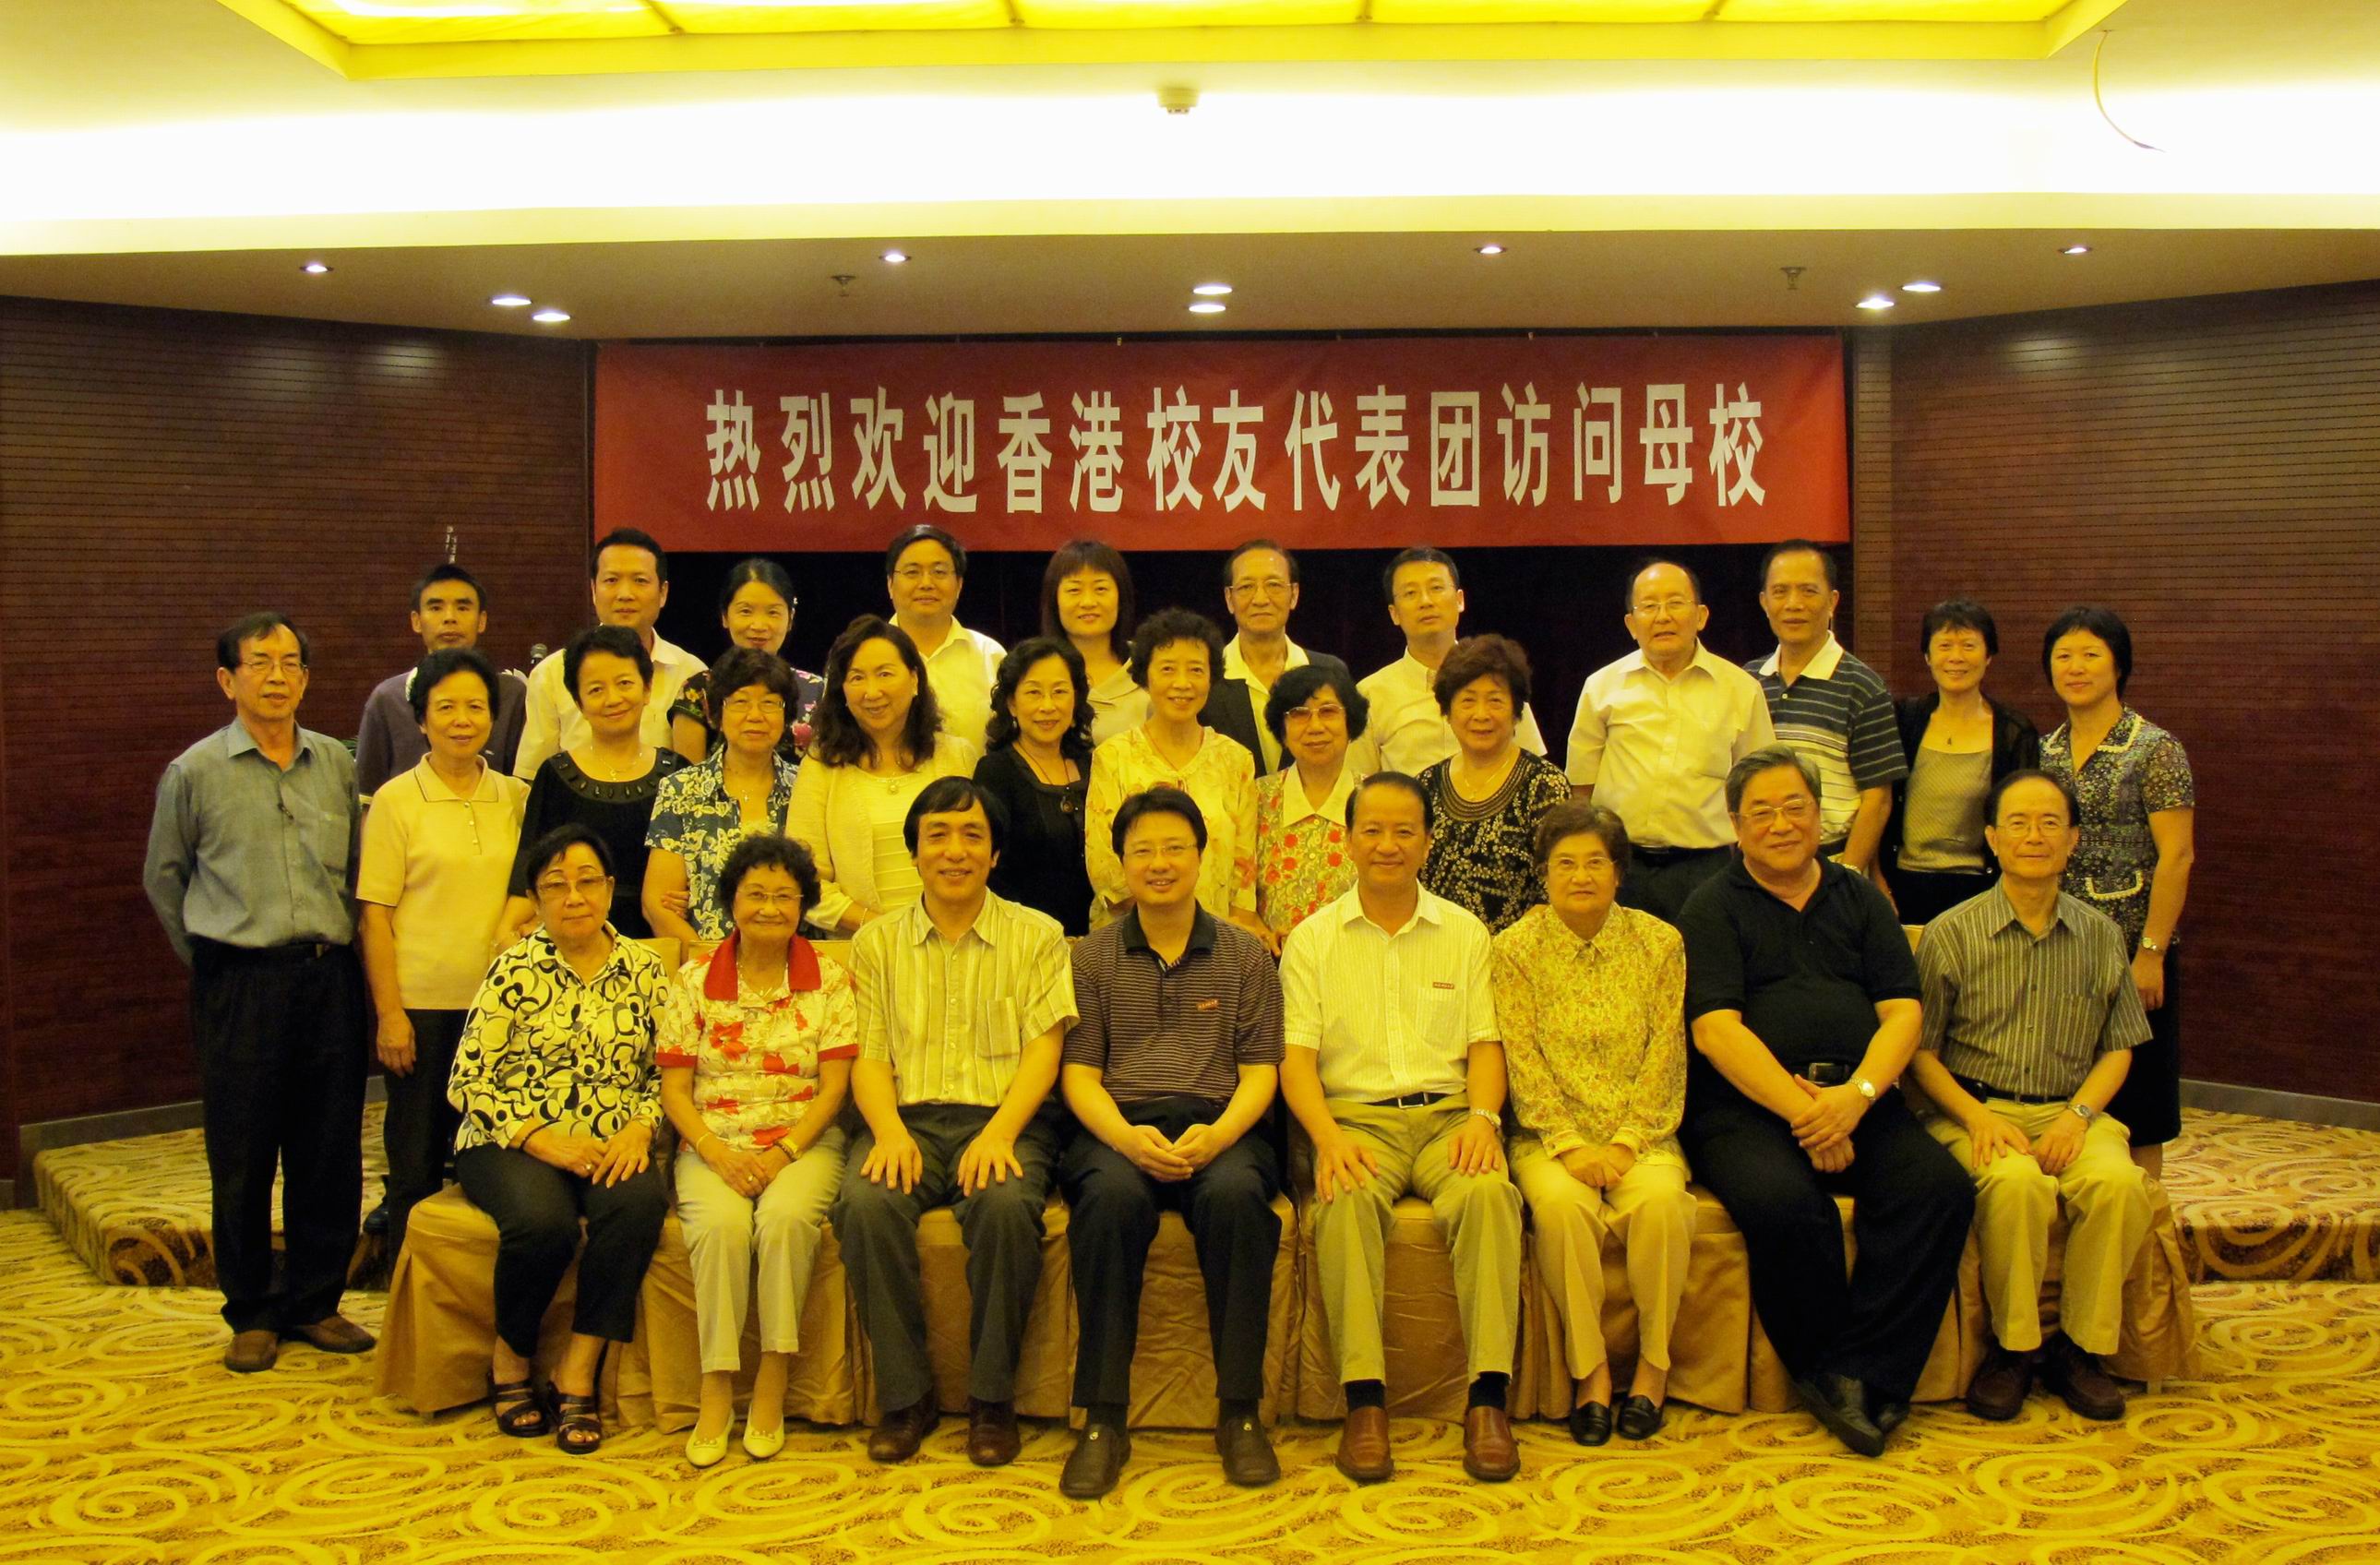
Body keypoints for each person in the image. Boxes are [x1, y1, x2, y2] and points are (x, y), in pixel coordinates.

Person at [1677, 747, 1973, 1458]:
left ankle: (1865, 1370)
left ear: (1819, 815)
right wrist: (1807, 1113)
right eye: (1761, 813)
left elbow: (1902, 1013)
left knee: (1937, 1190)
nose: (1780, 824)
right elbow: (1716, 1031)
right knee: (1784, 1204)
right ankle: (1828, 1369)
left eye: (1795, 808)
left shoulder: (1859, 898)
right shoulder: (1710, 906)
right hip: (1745, 1109)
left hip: (1858, 1097)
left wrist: (1855, 1099)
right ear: (1735, 825)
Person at [142, 613, 374, 1373]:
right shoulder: (194, 772)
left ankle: (316, 1301)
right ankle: (250, 1310)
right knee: (242, 1153)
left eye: (291, 662)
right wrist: (215, 962)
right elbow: (165, 880)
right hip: (239, 983)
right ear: (227, 679)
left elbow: (357, 868)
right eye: (260, 662)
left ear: (306, 677)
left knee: (328, 1147)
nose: (278, 675)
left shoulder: (336, 762)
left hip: (328, 978)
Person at [1279, 773, 1523, 1487]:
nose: (1387, 845)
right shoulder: (1313, 940)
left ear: (1427, 842)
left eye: (1403, 831)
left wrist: (1483, 1120)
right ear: (1349, 842)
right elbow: (1295, 1061)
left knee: (1489, 1196)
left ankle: (1487, 1400)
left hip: (1450, 1116)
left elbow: (1485, 1044)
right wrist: (1326, 1139)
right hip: (1355, 1120)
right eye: (1373, 831)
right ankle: (1364, 1403)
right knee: (1345, 1201)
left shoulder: (1464, 932)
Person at [831, 777, 1076, 1467]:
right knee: (865, 1203)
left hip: (1004, 1119)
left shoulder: (1038, 935)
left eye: (973, 835)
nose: (954, 850)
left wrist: (1000, 1132)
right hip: (903, 1118)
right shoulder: (876, 943)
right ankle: (904, 1399)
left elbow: (1045, 1051)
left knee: (1005, 1206)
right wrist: (887, 1133)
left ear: (995, 853)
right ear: (914, 851)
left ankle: (992, 1400)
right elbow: (868, 1055)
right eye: (936, 835)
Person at [1057, 787, 1286, 1499]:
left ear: (1201, 856)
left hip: (1219, 1122)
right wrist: (1126, 1140)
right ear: (1121, 864)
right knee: (1107, 1203)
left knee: (1239, 1197)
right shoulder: (1091, 957)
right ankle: (1103, 1418)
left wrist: (1219, 1137)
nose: (1159, 863)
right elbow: (1078, 1074)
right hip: (1118, 1125)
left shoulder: (1244, 954)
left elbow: (1261, 1071)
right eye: (1143, 851)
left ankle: (1239, 1413)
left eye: (1173, 848)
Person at [1908, 770, 2155, 1424]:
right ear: (1992, 839)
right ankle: (2013, 1350)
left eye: (2050, 823)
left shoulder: (2101, 933)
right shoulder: (1951, 932)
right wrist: (1976, 1117)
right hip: (1974, 1109)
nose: (2034, 836)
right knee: (2015, 1184)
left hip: (2071, 1109)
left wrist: (2078, 1117)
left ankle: (2080, 1350)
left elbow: (2119, 1046)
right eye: (2017, 823)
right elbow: (1921, 1053)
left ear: (2073, 839)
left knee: (2119, 1185)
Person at [448, 825, 676, 1455]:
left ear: (610, 888)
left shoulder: (645, 970)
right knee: (541, 1223)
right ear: (536, 899)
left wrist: (640, 1126)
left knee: (637, 1207)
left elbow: (669, 1071)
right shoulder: (513, 969)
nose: (574, 897)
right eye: (556, 885)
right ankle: (511, 1358)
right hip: (509, 1138)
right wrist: (540, 1138)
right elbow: (468, 1080)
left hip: (612, 1138)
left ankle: (578, 1370)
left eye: (587, 882)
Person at [1493, 800, 1695, 1446]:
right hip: (1549, 1138)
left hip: (1644, 1134)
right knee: (1561, 1211)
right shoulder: (1514, 949)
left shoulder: (1660, 944)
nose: (1580, 876)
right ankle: (1592, 1374)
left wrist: (1629, 1141)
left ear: (1618, 872)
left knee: (1662, 1204)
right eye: (1564, 864)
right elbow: (1520, 1058)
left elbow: (1666, 1053)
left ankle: (1654, 1368)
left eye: (1594, 863)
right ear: (1544, 875)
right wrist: (1569, 1145)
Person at [656, 833, 856, 1466]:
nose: (769, 908)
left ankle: (773, 1375)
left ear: (802, 906)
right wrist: (715, 1152)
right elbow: (674, 1090)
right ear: (731, 901)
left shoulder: (829, 979)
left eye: (784, 896)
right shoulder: (693, 980)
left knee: (785, 1221)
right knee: (718, 1227)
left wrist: (782, 1153)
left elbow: (835, 1090)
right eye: (755, 894)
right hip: (711, 1143)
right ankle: (716, 1384)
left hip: (804, 1142)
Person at [356, 647, 530, 1261]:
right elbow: (375, 917)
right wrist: (390, 1014)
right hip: (422, 1010)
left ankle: (475, 1294)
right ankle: (411, 1296)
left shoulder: (516, 797)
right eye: (446, 707)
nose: (462, 719)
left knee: (492, 1164)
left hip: (502, 1011)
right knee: (416, 1165)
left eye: (476, 707)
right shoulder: (395, 801)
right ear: (421, 719)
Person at [2039, 605, 2195, 1178]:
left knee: (2142, 1104)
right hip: (2056, 945)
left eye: (2090, 655)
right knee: (2064, 1090)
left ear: (2119, 666)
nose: (2075, 667)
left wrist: (2151, 953)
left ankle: (2145, 1222)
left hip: (2132, 948)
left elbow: (2178, 855)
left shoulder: (2155, 748)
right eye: (2063, 656)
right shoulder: (2043, 751)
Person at [1565, 559, 1775, 925]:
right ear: (1631, 624)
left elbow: (1761, 788)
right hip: (1620, 865)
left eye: (1676, 603)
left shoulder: (1741, 690)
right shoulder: (1601, 687)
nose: (1663, 616)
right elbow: (1581, 788)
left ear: (1701, 615)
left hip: (1705, 867)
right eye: (1649, 606)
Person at [1084, 609, 1268, 948]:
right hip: (1130, 942)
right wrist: (1169, 929)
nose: (1182, 683)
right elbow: (1104, 867)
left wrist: (1229, 936)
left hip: (1215, 944)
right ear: (1145, 676)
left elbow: (1244, 874)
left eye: (1196, 670)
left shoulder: (1236, 760)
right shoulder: (1113, 757)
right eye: (1168, 669)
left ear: (1211, 677)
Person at [786, 615, 977, 934]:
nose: (871, 691)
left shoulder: (956, 756)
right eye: (857, 678)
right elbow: (803, 880)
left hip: (956, 939)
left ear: (914, 679)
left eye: (885, 674)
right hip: (861, 947)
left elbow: (982, 857)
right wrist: (884, 930)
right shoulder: (822, 766)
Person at [500, 627, 688, 945]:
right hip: (575, 940)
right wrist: (506, 930)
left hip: (659, 944)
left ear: (647, 689)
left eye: (624, 683)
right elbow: (529, 870)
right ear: (579, 702)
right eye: (596, 689)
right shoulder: (556, 775)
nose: (613, 699)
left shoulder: (678, 774)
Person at [1745, 540, 1906, 874]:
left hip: (1832, 862)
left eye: (1808, 591)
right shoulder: (1747, 682)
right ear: (1764, 602)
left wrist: (1847, 876)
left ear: (1832, 601)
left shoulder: (1863, 687)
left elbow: (1877, 799)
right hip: (1758, 865)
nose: (1793, 604)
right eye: (1780, 592)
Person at [1884, 599, 2042, 926]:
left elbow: (2020, 815)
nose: (1956, 657)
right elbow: (1880, 800)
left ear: (1988, 656)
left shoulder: (2013, 732)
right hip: (1904, 885)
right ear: (1927, 656)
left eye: (1968, 646)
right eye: (1944, 646)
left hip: (1983, 888)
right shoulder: (1904, 720)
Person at [643, 647, 802, 957]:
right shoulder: (681, 789)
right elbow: (657, 903)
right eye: (740, 702)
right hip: (705, 967)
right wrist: (714, 965)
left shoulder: (806, 788)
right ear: (716, 712)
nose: (755, 715)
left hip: (793, 965)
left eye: (769, 703)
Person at [513, 528, 704, 779]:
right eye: (612, 580)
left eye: (640, 581)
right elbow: (532, 777)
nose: (625, 594)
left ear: (663, 593)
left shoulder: (691, 674)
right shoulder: (551, 673)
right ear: (594, 590)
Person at [1417, 635, 1573, 934]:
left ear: (1516, 712)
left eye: (1495, 700)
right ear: (1447, 711)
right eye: (1468, 700)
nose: (1481, 714)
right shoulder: (1424, 786)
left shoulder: (1544, 786)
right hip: (1433, 950)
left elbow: (1556, 890)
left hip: (1516, 953)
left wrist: (1496, 951)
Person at [1357, 547, 1547, 777]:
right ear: (1394, 613)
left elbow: (1533, 767)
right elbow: (1359, 781)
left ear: (1459, 600)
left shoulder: (1499, 675)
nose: (1426, 601)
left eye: (1436, 588)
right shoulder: (1370, 694)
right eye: (1410, 593)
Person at [355, 562, 528, 799]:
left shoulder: (512, 694)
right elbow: (368, 797)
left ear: (482, 620)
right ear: (416, 621)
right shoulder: (387, 698)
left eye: (463, 608)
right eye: (436, 608)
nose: (450, 618)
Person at [1202, 539, 1361, 775]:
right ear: (1229, 598)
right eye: (1246, 587)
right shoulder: (1205, 676)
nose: (1260, 599)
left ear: (1294, 594)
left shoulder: (1329, 671)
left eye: (1273, 585)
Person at [973, 636, 1095, 934]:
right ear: (1012, 703)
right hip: (1023, 938)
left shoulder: (1094, 764)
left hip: (1097, 935)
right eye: (1033, 693)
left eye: (1059, 692)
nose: (1048, 706)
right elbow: (989, 869)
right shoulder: (995, 772)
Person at [1251, 663, 1370, 941]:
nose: (1315, 727)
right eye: (1299, 714)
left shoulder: (1376, 798)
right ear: (1282, 730)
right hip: (1275, 959)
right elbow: (1239, 893)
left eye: (1328, 712)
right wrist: (1261, 934)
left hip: (1360, 954)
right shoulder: (1257, 797)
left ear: (1350, 722)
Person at [669, 556, 826, 766]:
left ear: (790, 618)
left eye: (773, 612)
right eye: (745, 611)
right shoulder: (698, 691)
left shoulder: (817, 690)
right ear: (725, 616)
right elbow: (686, 778)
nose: (758, 625)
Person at [885, 524, 1005, 752]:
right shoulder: (858, 656)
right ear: (890, 584)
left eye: (939, 572)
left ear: (959, 584)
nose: (926, 584)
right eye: (912, 572)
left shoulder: (991, 656)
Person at [1041, 538, 1147, 746]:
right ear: (1054, 600)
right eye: (1074, 590)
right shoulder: (1031, 669)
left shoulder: (1151, 666)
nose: (1088, 602)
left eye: (1100, 589)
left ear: (1121, 597)